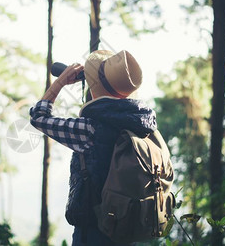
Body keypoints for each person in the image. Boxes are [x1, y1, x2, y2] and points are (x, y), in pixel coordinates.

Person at [29, 50, 158, 246]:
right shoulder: (144, 125)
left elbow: (39, 117)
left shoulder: (90, 129)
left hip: (93, 231)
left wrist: (60, 82)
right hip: (125, 226)